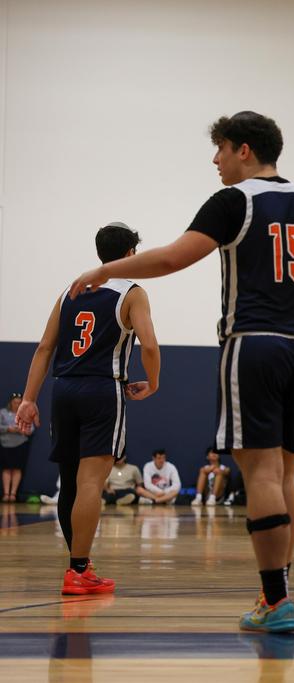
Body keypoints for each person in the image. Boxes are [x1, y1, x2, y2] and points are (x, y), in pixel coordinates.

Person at [68, 111, 294, 632]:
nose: (215, 160)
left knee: (262, 473)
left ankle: (276, 600)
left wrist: (105, 269)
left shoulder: (234, 201)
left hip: (254, 344)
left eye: (221, 149)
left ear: (244, 150)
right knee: (286, 473)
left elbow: (172, 259)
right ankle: (278, 592)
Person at [15, 222, 160, 595]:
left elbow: (44, 347)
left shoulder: (71, 290)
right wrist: (154, 382)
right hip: (101, 389)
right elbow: (149, 346)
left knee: (69, 482)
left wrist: (29, 398)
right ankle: (78, 570)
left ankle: (80, 565)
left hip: (63, 389)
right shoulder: (132, 292)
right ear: (131, 254)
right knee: (91, 483)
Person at [1, 393, 34, 502]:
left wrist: (22, 430)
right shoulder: (3, 413)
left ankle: (13, 494)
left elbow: (31, 429)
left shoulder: (26, 414)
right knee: (6, 468)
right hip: (5, 444)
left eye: (19, 403)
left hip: (20, 444)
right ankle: (6, 494)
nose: (17, 404)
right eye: (15, 402)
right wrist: (8, 429)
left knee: (17, 469)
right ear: (11, 403)